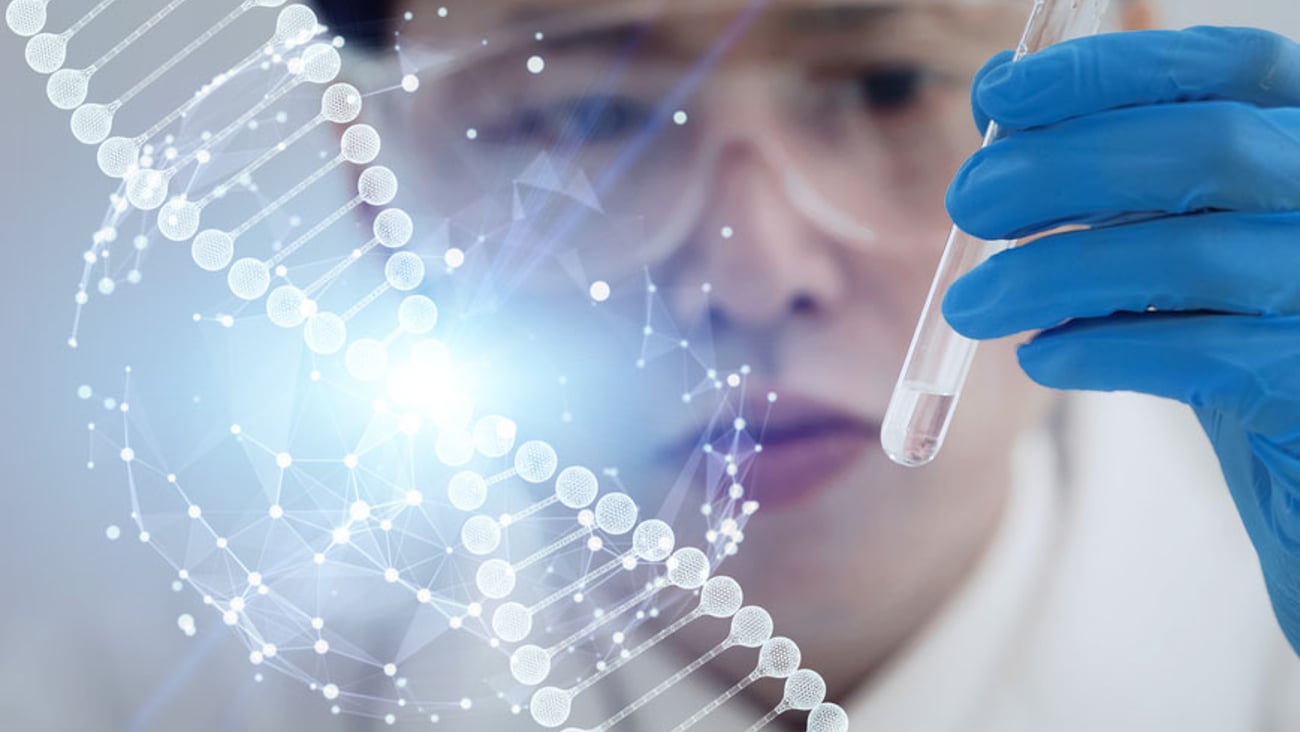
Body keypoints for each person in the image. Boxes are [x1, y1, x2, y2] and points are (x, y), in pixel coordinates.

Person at [289, 0, 1300, 729]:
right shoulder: (179, 690)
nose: (754, 274)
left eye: (886, 83)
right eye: (587, 118)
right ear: (380, 189)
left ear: (1113, 78)